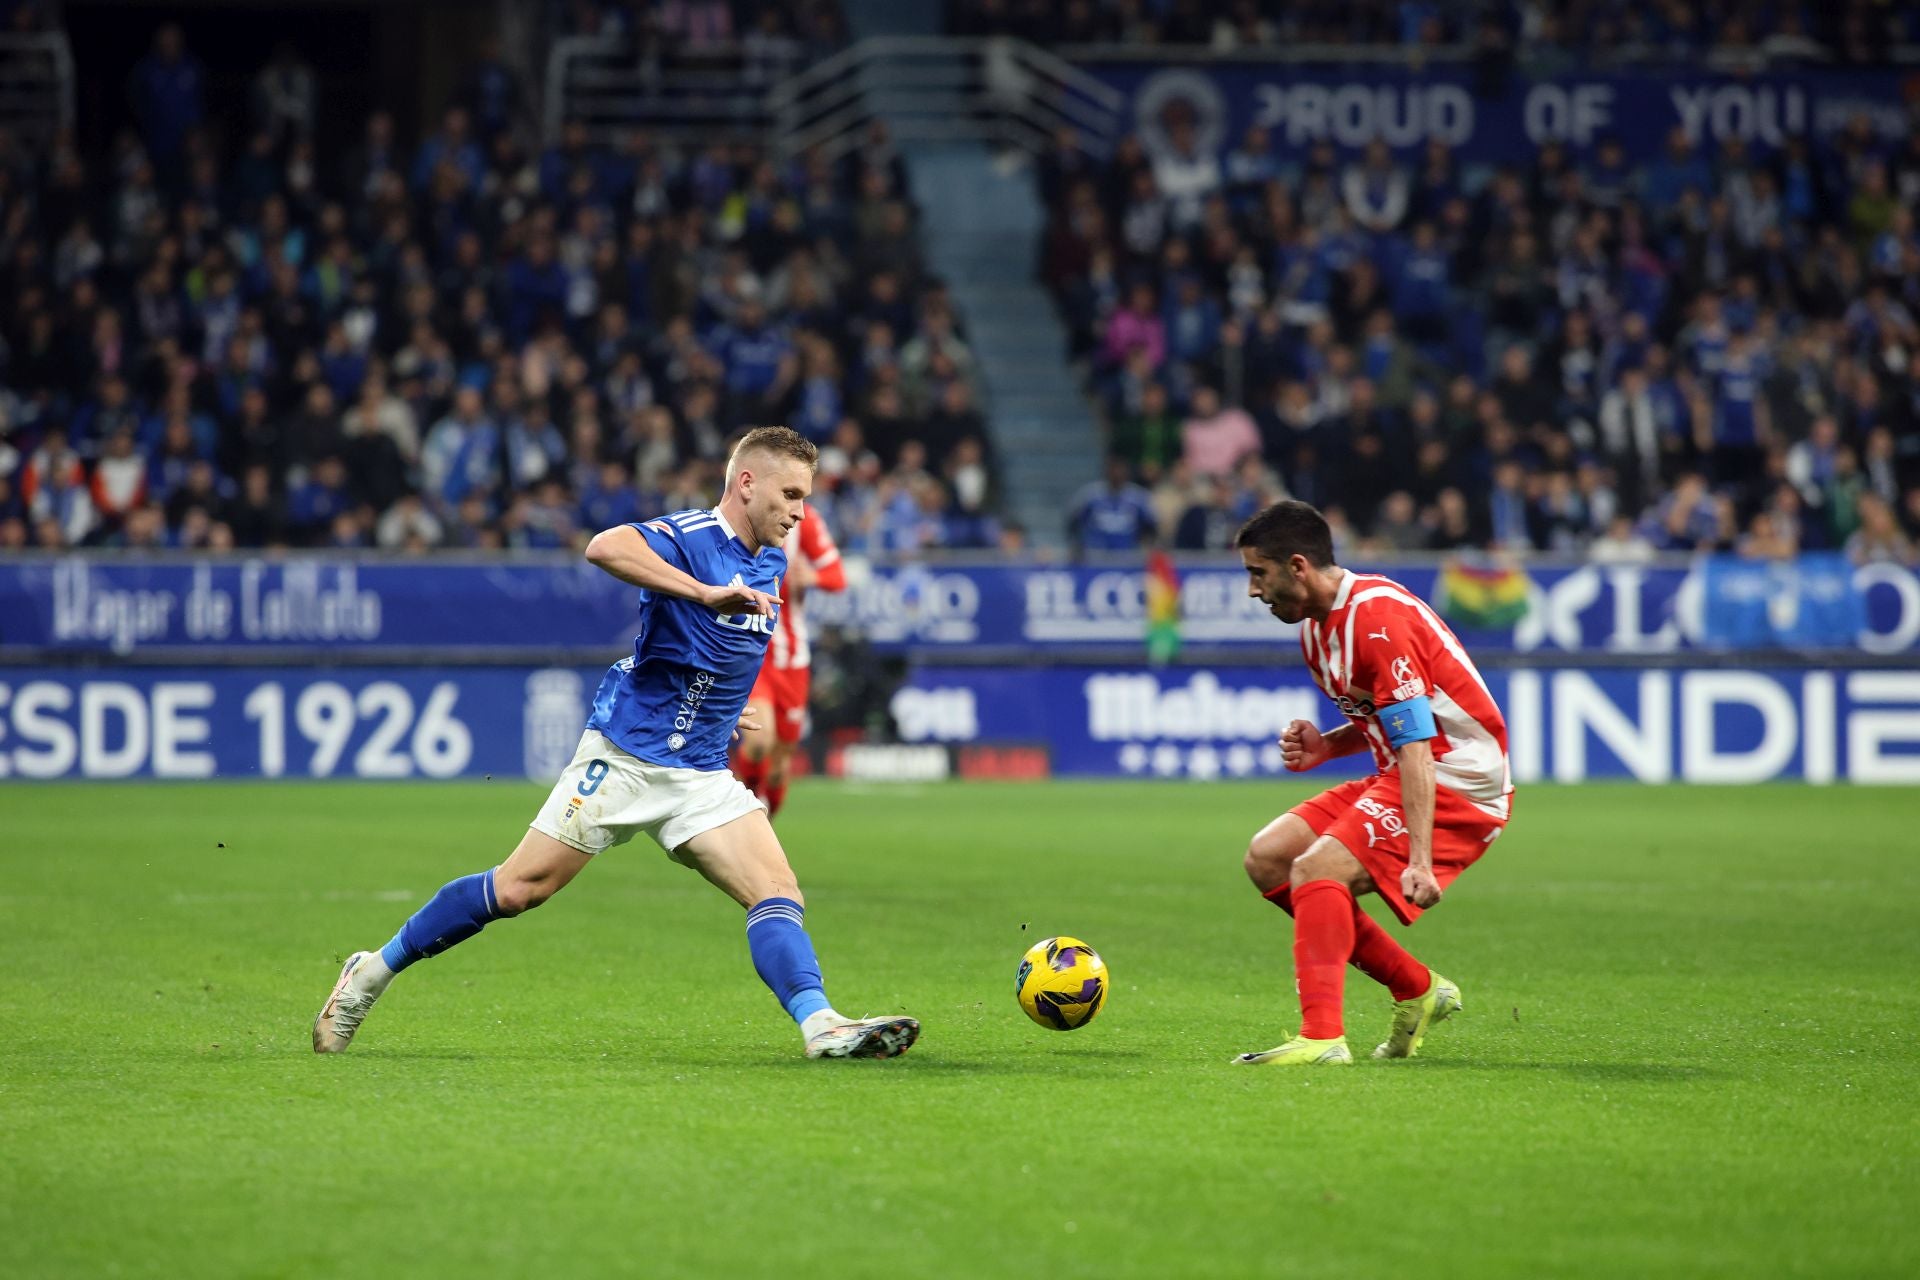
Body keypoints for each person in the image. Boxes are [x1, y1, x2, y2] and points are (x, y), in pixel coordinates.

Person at [314, 427, 920, 1061]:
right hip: (625, 758)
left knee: (778, 893)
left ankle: (819, 1024)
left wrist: (721, 706)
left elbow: (717, 647)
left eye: (806, 496)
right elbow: (604, 547)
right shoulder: (690, 537)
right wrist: (699, 590)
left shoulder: (770, 556)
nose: (800, 511)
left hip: (700, 771)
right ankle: (371, 972)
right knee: (521, 889)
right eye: (791, 494)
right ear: (747, 484)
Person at [1232, 500, 1513, 1066]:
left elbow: (1415, 741)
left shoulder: (1378, 622)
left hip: (1458, 780)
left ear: (1297, 566)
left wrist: (1420, 858)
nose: (1254, 592)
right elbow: (1384, 718)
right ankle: (1417, 987)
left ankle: (1322, 1038)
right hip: (1404, 769)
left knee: (1316, 869)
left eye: (1257, 574)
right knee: (1269, 858)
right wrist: (1329, 745)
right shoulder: (1315, 631)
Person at [733, 500, 846, 819]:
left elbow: (837, 576)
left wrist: (812, 577)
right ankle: (747, 814)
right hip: (752, 653)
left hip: (792, 658)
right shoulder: (733, 518)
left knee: (781, 762)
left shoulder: (805, 522)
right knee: (758, 741)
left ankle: (764, 826)